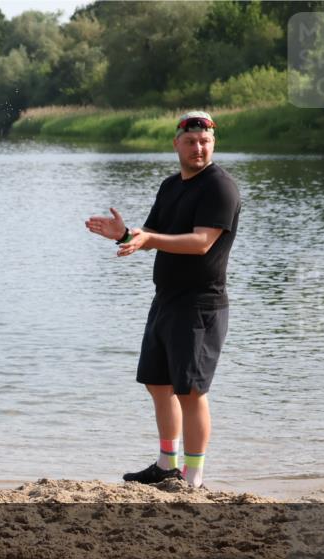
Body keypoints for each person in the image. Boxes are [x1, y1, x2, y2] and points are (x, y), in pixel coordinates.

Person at [85, 111, 241, 489]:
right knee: (158, 384)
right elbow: (150, 233)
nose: (198, 147)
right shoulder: (171, 185)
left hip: (201, 304)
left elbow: (201, 242)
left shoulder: (220, 187)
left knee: (190, 391)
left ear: (213, 144)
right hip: (167, 300)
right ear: (176, 144)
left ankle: (193, 477)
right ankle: (166, 464)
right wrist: (125, 236)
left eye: (204, 142)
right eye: (190, 141)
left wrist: (149, 240)